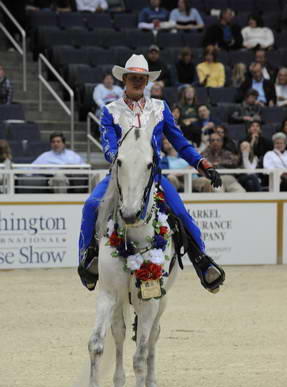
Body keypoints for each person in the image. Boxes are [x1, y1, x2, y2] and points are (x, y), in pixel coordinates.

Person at [78, 53, 225, 292]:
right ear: (124, 79)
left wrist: (202, 164)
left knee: (180, 213)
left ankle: (202, 262)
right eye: (133, 77)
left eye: (142, 78)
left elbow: (180, 142)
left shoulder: (160, 108)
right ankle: (88, 258)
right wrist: (121, 161)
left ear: (147, 82)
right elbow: (108, 147)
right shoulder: (110, 111)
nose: (137, 81)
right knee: (92, 205)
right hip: (120, 176)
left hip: (153, 177)